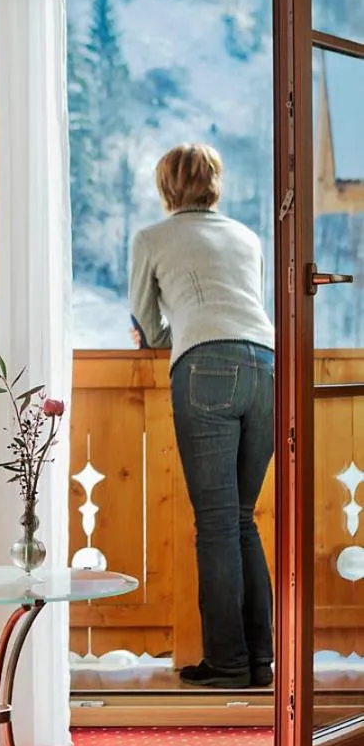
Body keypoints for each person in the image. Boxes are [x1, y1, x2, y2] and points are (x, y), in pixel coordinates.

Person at [129, 143, 275, 689]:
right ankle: (261, 659)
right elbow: (247, 307)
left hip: (206, 368)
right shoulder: (247, 237)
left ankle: (229, 664)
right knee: (242, 519)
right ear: (215, 182)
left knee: (216, 524)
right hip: (267, 367)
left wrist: (170, 339)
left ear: (167, 186)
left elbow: (144, 319)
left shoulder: (152, 238)